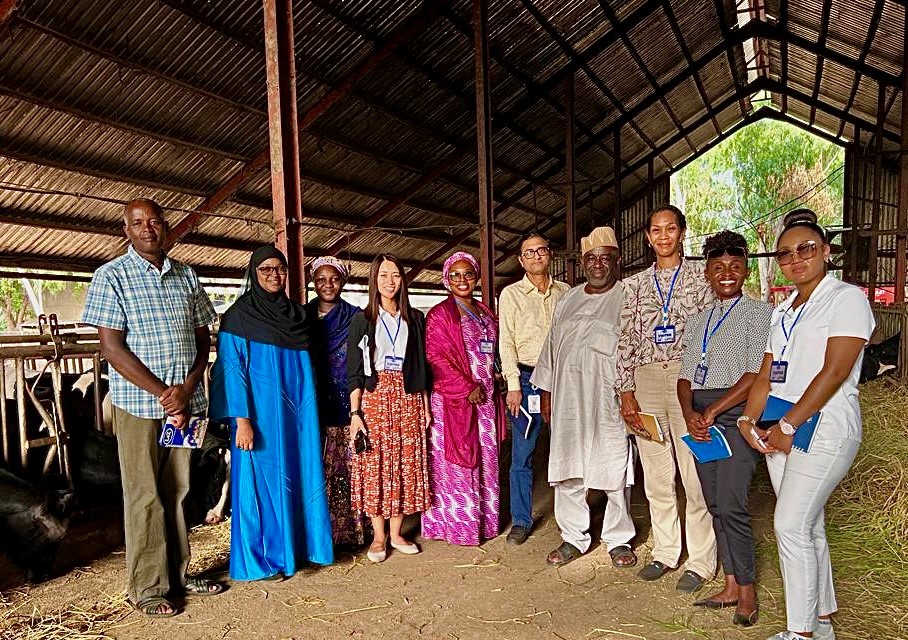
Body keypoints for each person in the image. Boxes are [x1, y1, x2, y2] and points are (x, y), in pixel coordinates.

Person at [81, 198, 223, 618]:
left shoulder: (187, 276)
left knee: (179, 490)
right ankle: (147, 587)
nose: (148, 228)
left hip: (188, 403)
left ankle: (178, 575)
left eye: (155, 221)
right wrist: (166, 393)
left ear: (167, 227)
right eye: (138, 223)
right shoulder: (111, 277)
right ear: (126, 230)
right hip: (140, 406)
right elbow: (111, 347)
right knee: (144, 495)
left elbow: (202, 341)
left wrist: (189, 388)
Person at [738, 209, 874, 640]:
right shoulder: (781, 311)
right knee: (809, 524)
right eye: (785, 253)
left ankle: (800, 635)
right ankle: (822, 621)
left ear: (826, 252)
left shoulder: (847, 299)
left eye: (806, 249)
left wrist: (791, 425)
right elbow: (766, 374)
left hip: (824, 425)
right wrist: (748, 419)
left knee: (789, 524)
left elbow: (834, 372)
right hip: (781, 427)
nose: (796, 258)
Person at [209, 246, 334, 582]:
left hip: (296, 417)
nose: (274, 275)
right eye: (265, 269)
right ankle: (262, 560)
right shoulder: (238, 316)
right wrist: (242, 421)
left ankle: (299, 550)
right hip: (258, 418)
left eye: (280, 269)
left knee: (299, 475)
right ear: (253, 273)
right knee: (260, 485)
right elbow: (233, 370)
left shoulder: (298, 316)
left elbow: (311, 370)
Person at [617, 204, 717, 593]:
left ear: (682, 232)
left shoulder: (700, 278)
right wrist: (626, 393)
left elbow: (712, 333)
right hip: (645, 380)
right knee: (657, 475)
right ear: (647, 236)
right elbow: (624, 341)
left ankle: (701, 560)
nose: (663, 236)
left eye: (670, 229)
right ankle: (665, 551)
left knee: (694, 473)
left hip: (685, 378)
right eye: (656, 230)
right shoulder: (634, 285)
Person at [676, 231, 772, 626]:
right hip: (701, 418)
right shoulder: (699, 320)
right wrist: (689, 414)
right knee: (714, 501)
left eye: (734, 267)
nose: (726, 274)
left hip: (733, 416)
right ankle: (731, 584)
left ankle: (747, 593)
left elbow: (754, 375)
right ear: (707, 274)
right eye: (718, 268)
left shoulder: (759, 314)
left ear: (746, 271)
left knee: (732, 503)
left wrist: (713, 411)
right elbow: (684, 377)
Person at [532, 227, 637, 568]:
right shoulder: (569, 298)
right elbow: (550, 350)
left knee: (614, 468)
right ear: (582, 263)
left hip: (610, 401)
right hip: (568, 401)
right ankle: (573, 537)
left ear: (616, 262)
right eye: (591, 259)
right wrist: (546, 395)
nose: (597, 265)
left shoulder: (628, 297)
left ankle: (618, 539)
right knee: (568, 470)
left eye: (605, 259)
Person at [347, 254, 431, 563]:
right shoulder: (363, 320)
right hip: (375, 396)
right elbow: (354, 371)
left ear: (403, 280)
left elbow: (421, 367)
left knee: (404, 463)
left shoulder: (415, 318)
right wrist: (356, 415)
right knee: (376, 464)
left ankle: (397, 533)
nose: (389, 281)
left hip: (407, 396)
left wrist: (424, 406)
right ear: (374, 280)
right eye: (383, 275)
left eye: (395, 275)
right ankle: (379, 537)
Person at [422, 252, 508, 546]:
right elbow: (435, 358)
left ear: (477, 277)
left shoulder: (485, 311)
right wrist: (466, 386)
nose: (462, 280)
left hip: (485, 399)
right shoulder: (439, 315)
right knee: (457, 465)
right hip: (454, 401)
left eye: (468, 274)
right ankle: (458, 528)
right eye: (455, 275)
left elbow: (492, 349)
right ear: (446, 280)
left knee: (486, 459)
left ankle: (485, 522)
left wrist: (495, 373)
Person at [498, 231, 570, 545]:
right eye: (529, 252)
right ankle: (522, 520)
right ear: (521, 260)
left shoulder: (565, 292)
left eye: (541, 250)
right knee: (523, 451)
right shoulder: (511, 294)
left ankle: (571, 521)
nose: (536, 256)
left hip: (562, 380)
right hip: (526, 381)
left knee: (567, 448)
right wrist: (513, 385)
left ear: (549, 254)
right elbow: (506, 343)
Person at [305, 256, 370, 547]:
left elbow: (366, 359)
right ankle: (320, 533)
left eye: (333, 279)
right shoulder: (302, 317)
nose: (327, 284)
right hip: (313, 402)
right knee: (319, 467)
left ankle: (354, 531)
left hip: (349, 402)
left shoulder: (357, 316)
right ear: (313, 282)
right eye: (321, 279)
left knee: (351, 467)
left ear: (343, 282)